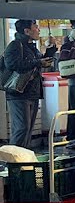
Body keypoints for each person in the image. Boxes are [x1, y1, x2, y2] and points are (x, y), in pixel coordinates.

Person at [3, 19, 46, 148]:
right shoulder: (15, 45)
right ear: (27, 31)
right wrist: (37, 62)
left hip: (32, 92)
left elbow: (37, 62)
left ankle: (22, 160)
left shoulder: (31, 47)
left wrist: (50, 51)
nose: (38, 30)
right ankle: (12, 161)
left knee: (27, 130)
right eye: (36, 27)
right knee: (21, 128)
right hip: (18, 93)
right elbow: (12, 64)